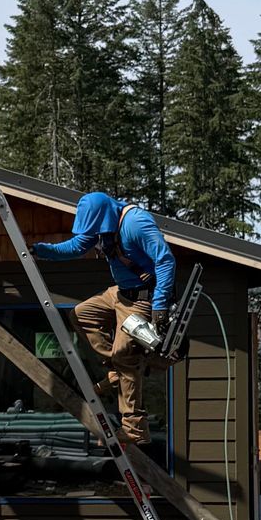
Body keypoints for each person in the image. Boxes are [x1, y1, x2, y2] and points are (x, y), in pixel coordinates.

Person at [31, 189, 176, 443]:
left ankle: (134, 428)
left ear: (104, 218)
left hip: (144, 299)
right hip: (119, 293)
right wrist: (43, 251)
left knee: (125, 355)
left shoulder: (135, 223)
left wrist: (160, 305)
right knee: (81, 315)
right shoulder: (101, 226)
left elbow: (165, 261)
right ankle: (117, 371)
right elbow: (76, 246)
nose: (92, 236)